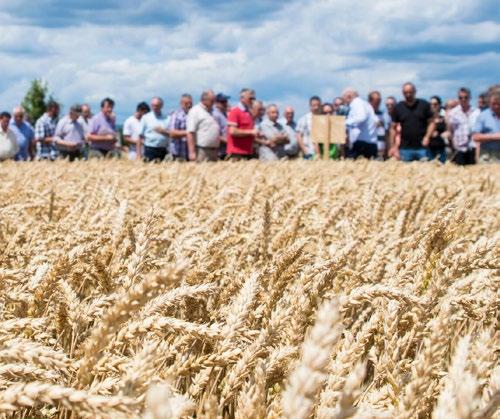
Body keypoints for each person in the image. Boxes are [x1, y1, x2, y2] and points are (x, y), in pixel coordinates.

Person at [389, 82, 434, 162]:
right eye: (406, 93)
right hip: (405, 148)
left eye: (410, 92)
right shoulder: (398, 107)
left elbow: (432, 123)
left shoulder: (424, 105)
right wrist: (393, 146)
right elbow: (393, 128)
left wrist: (427, 137)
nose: (408, 95)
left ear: (415, 92)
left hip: (422, 147)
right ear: (403, 93)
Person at [342, 88, 378, 159]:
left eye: (344, 98)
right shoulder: (365, 104)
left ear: (349, 96)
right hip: (370, 142)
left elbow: (361, 117)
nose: (344, 101)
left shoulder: (356, 103)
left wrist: (344, 122)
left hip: (362, 144)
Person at [186, 90, 221, 162]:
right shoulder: (195, 111)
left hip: (214, 150)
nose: (214, 103)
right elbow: (190, 133)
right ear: (204, 99)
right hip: (201, 151)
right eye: (212, 100)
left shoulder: (213, 111)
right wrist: (192, 152)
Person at [447, 88, 479, 165]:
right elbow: (450, 130)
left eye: (466, 97)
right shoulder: (453, 113)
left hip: (472, 147)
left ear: (470, 98)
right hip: (459, 148)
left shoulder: (477, 112)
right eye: (460, 98)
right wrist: (453, 146)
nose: (463, 99)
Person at [226, 88, 260, 161]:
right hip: (236, 153)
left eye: (254, 98)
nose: (253, 101)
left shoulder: (249, 113)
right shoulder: (235, 111)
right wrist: (251, 132)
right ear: (242, 99)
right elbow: (232, 131)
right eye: (250, 98)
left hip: (247, 151)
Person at [472, 86, 500, 162]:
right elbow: (475, 137)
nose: (497, 107)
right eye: (494, 104)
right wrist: (494, 136)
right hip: (488, 156)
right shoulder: (483, 116)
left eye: (499, 104)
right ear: (489, 102)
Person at [141, 97, 170, 162]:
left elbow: (171, 134)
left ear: (161, 106)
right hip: (150, 149)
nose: (154, 107)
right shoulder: (145, 117)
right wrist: (139, 153)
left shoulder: (168, 118)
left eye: (156, 106)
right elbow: (140, 136)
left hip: (163, 149)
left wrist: (163, 131)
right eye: (153, 105)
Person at [169, 94, 193, 161]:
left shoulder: (194, 114)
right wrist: (189, 133)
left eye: (190, 103)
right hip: (178, 152)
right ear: (181, 103)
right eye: (186, 103)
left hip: (190, 152)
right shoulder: (176, 115)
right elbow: (172, 133)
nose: (189, 105)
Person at [426, 96, 447, 163]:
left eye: (435, 104)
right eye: (431, 104)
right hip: (429, 147)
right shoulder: (426, 116)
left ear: (439, 104)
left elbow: (448, 128)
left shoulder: (444, 115)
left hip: (441, 147)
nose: (433, 106)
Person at [368, 91, 386, 159]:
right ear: (370, 100)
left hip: (381, 149)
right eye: (376, 100)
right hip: (370, 147)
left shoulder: (383, 115)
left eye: (379, 100)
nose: (378, 102)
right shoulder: (366, 115)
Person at [213, 93, 230, 159]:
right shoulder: (215, 115)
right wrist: (228, 141)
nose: (225, 103)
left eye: (226, 101)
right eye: (223, 102)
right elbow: (215, 134)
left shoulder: (224, 114)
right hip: (219, 151)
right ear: (216, 103)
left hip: (226, 150)